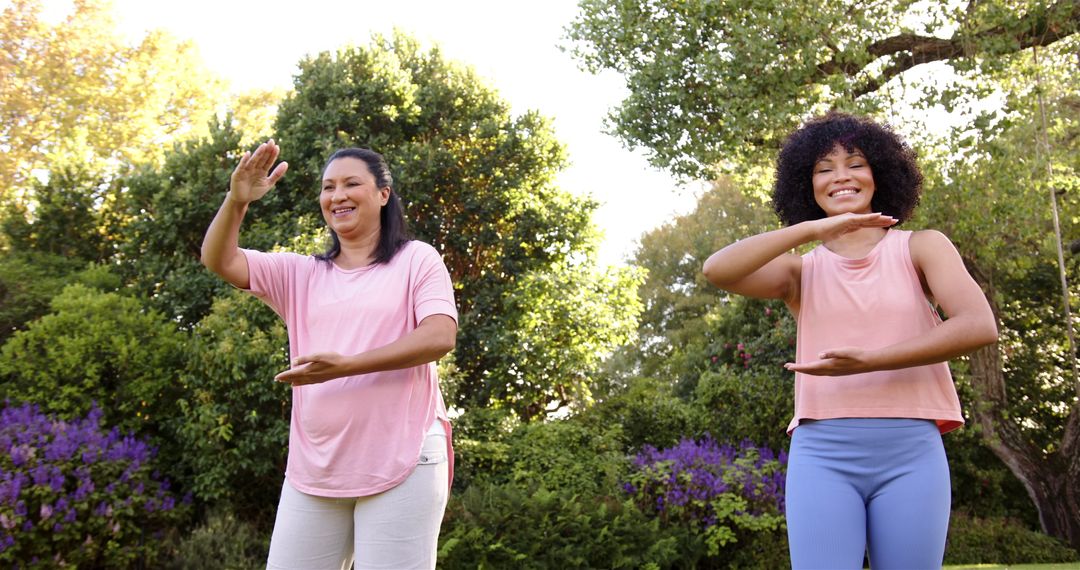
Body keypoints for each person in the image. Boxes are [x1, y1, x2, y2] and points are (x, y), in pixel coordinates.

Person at [702, 113, 998, 568]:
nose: (841, 176)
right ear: (808, 186)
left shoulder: (921, 246)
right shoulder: (800, 271)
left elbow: (978, 325)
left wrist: (872, 361)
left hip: (911, 450)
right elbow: (717, 270)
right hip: (823, 452)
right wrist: (811, 230)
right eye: (824, 168)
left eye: (855, 163)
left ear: (879, 174)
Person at [201, 140, 458, 570]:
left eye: (351, 184)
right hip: (315, 468)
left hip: (405, 457)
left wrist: (347, 367)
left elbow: (439, 335)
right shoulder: (300, 273)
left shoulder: (417, 259)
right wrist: (236, 201)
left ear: (382, 194)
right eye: (328, 187)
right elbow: (219, 259)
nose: (337, 195)